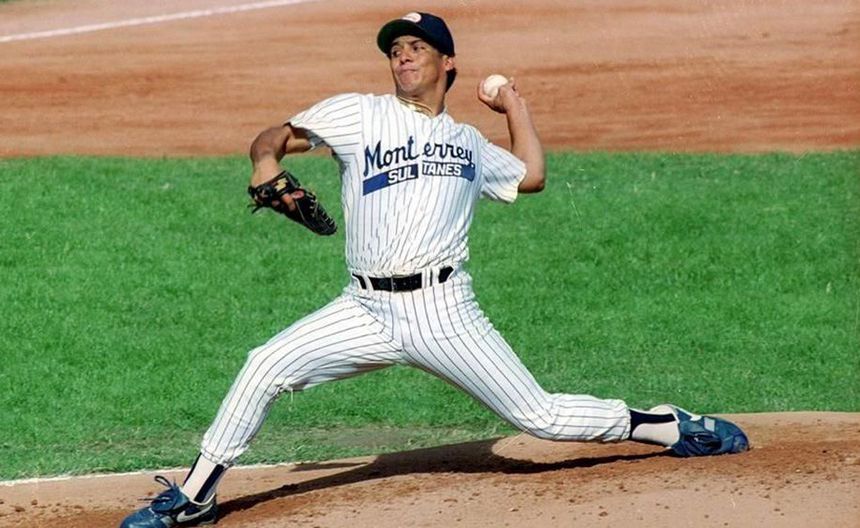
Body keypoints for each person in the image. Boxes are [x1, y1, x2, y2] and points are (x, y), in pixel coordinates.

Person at [119, 11, 748, 528]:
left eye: (417, 48)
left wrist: (512, 104)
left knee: (541, 418)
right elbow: (274, 137)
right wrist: (264, 166)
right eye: (395, 51)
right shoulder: (357, 114)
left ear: (448, 63)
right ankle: (196, 496)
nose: (403, 58)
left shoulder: (469, 143)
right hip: (363, 308)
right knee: (264, 365)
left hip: (443, 312)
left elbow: (530, 176)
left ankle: (666, 425)